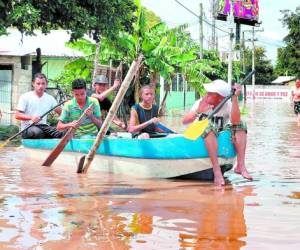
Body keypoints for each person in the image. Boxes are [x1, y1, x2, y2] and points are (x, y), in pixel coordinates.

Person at [182, 79, 253, 186]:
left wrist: (234, 99)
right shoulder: (201, 102)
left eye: (210, 94)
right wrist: (198, 111)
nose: (206, 95)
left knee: (241, 125)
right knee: (208, 126)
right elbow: (184, 121)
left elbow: (236, 121)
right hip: (200, 137)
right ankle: (217, 171)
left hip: (217, 137)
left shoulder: (228, 104)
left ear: (220, 98)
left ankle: (241, 166)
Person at [15, 73, 64, 139]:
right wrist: (31, 117)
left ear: (46, 84)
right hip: (28, 128)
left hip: (44, 127)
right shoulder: (25, 97)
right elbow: (17, 115)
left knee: (62, 133)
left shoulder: (50, 98)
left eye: (43, 83)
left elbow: (62, 113)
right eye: (38, 83)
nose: (40, 86)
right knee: (38, 133)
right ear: (33, 84)